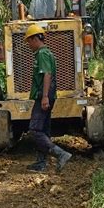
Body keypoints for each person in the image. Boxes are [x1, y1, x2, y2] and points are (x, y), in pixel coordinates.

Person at [23, 24, 72, 172]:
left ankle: (61, 154)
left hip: (44, 95)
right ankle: (41, 163)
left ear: (35, 38)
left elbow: (47, 74)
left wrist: (44, 97)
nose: (28, 44)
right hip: (48, 95)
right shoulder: (47, 53)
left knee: (35, 130)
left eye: (29, 41)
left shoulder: (42, 54)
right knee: (44, 129)